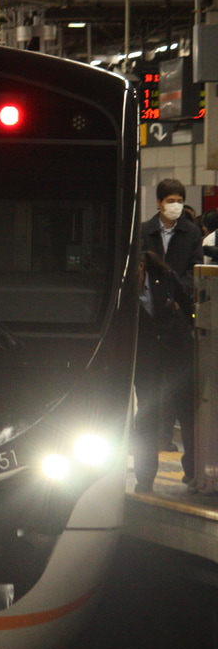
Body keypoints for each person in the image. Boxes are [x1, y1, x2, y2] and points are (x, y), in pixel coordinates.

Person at [140, 179, 203, 457]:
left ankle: (193, 471)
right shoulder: (144, 232)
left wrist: (177, 291)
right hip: (149, 328)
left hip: (178, 323)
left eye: (179, 200)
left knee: (185, 403)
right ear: (158, 203)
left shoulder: (191, 233)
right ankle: (144, 476)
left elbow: (195, 270)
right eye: (170, 200)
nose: (175, 205)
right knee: (148, 405)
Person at [133, 250, 198, 493]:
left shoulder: (164, 276)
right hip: (146, 358)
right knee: (147, 415)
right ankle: (145, 477)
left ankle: (193, 471)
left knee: (187, 410)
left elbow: (190, 307)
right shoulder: (121, 288)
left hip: (177, 352)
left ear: (142, 265)